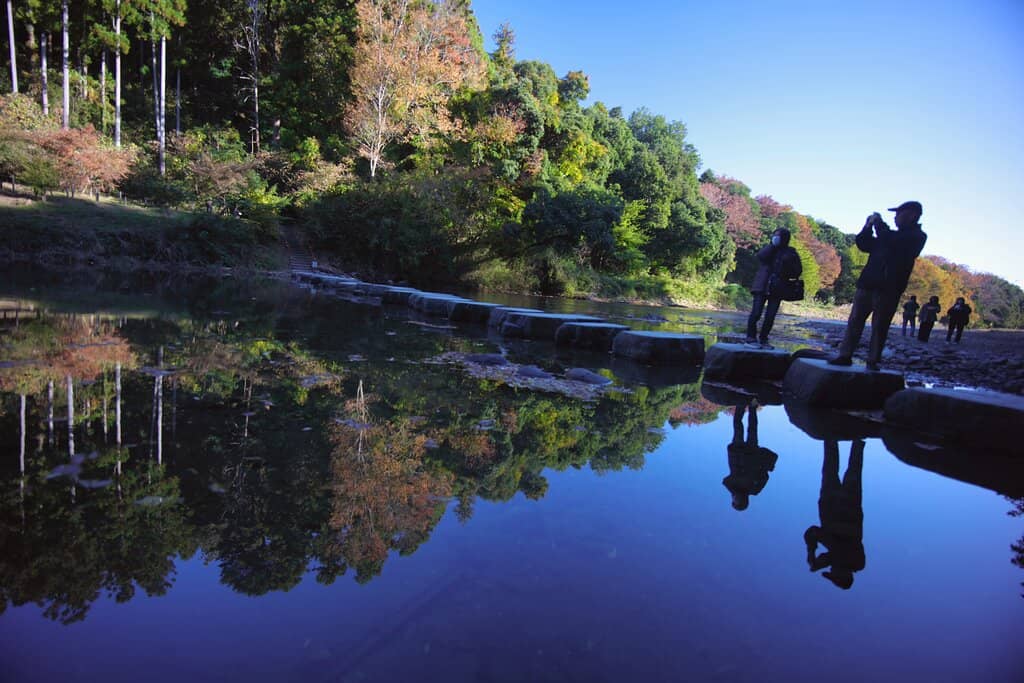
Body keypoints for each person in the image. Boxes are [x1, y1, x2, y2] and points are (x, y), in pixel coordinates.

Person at [828, 201, 927, 371]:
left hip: (889, 288)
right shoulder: (887, 236)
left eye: (899, 214)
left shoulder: (916, 237)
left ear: (912, 215)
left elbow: (891, 240)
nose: (895, 217)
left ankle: (873, 360)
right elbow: (863, 244)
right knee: (855, 321)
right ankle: (845, 355)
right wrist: (867, 227)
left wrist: (879, 224)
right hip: (867, 283)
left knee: (880, 326)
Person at [804, 439, 865, 590]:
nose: (831, 570)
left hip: (832, 503)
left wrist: (812, 555)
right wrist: (814, 557)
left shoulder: (838, 557)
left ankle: (831, 433)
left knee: (833, 467)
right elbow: (816, 534)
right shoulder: (856, 561)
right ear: (844, 575)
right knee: (851, 469)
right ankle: (855, 433)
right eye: (833, 573)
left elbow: (814, 534)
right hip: (846, 505)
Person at [745, 227, 802, 348]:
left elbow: (797, 271)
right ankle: (750, 338)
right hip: (762, 285)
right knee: (756, 313)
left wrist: (787, 263)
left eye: (778, 236)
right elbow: (760, 256)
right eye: (774, 235)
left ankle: (763, 339)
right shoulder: (769, 249)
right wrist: (772, 246)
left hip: (778, 288)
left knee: (770, 317)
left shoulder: (791, 252)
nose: (775, 238)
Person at [723, 401, 779, 511]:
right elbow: (765, 477)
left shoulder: (731, 487)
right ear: (743, 501)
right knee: (752, 428)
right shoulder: (754, 489)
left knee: (737, 426)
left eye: (733, 500)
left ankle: (741, 404)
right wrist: (761, 467)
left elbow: (725, 481)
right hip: (751, 455)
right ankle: (752, 406)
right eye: (736, 501)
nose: (734, 498)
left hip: (737, 454)